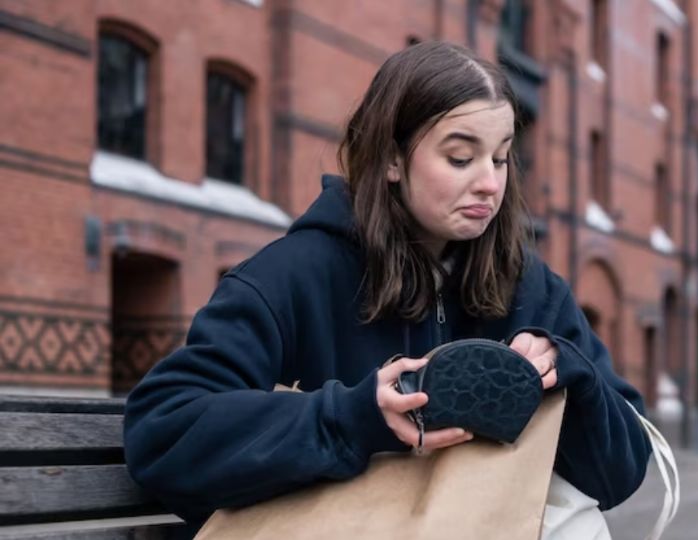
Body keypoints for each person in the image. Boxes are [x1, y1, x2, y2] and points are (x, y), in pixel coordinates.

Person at [123, 40, 652, 534]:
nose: (490, 183)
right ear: (392, 159)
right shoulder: (291, 277)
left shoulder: (531, 289)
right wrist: (353, 418)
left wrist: (569, 374)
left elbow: (620, 475)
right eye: (460, 158)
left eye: (500, 157)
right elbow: (164, 433)